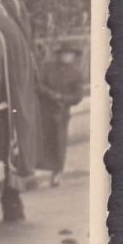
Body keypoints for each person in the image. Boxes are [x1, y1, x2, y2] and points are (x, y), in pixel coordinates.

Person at [39, 42, 86, 184]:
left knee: (59, 142)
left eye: (70, 54)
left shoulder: (76, 74)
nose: (67, 56)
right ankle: (33, 169)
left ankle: (57, 172)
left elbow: (77, 97)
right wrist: (50, 94)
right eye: (64, 53)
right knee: (41, 139)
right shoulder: (48, 68)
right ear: (59, 55)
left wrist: (62, 98)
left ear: (73, 56)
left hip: (61, 111)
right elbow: (39, 84)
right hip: (44, 109)